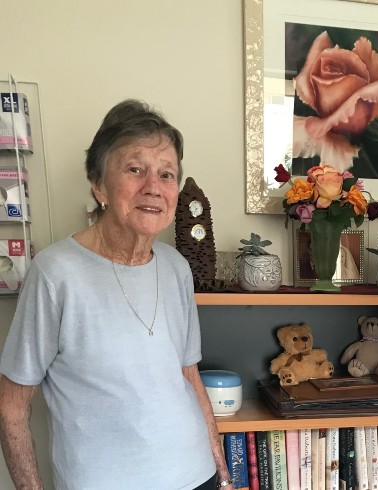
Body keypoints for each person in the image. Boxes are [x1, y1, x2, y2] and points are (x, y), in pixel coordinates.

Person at [0, 100, 235, 490]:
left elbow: (188, 376)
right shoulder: (56, 272)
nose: (153, 188)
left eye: (166, 174)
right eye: (134, 169)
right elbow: (11, 408)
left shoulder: (176, 267)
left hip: (197, 476)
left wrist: (222, 472)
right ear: (98, 184)